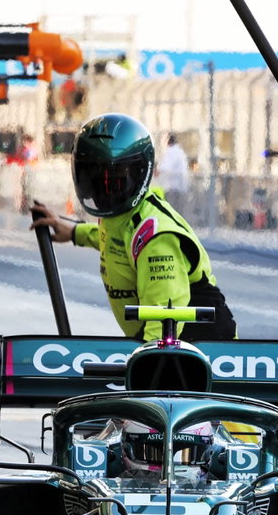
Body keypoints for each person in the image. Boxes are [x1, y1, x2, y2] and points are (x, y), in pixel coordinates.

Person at [30, 113, 235, 343]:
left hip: (198, 349)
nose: (103, 189)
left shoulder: (157, 240)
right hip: (164, 344)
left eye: (114, 178)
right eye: (93, 177)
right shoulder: (121, 217)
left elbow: (164, 322)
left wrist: (145, 370)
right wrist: (75, 232)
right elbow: (117, 240)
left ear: (139, 173)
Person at [159, 132, 191, 212]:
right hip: (181, 186)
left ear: (168, 141)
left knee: (170, 210)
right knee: (179, 211)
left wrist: (157, 169)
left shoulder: (171, 151)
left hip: (172, 187)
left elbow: (166, 166)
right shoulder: (180, 151)